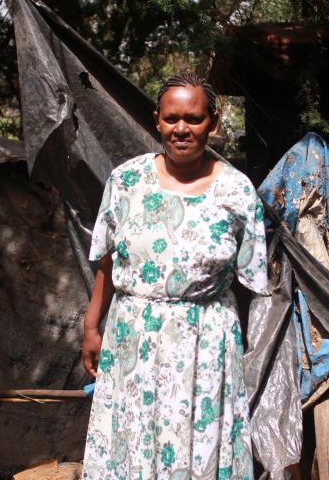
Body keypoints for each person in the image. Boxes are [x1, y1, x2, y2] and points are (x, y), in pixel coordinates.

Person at [81, 73, 269, 480]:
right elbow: (108, 261)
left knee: (196, 447)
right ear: (157, 120)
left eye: (194, 119)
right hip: (133, 337)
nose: (181, 129)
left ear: (213, 122)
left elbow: (253, 283)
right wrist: (91, 325)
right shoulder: (126, 181)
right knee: (132, 444)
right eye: (171, 118)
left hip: (205, 342)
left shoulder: (237, 191)